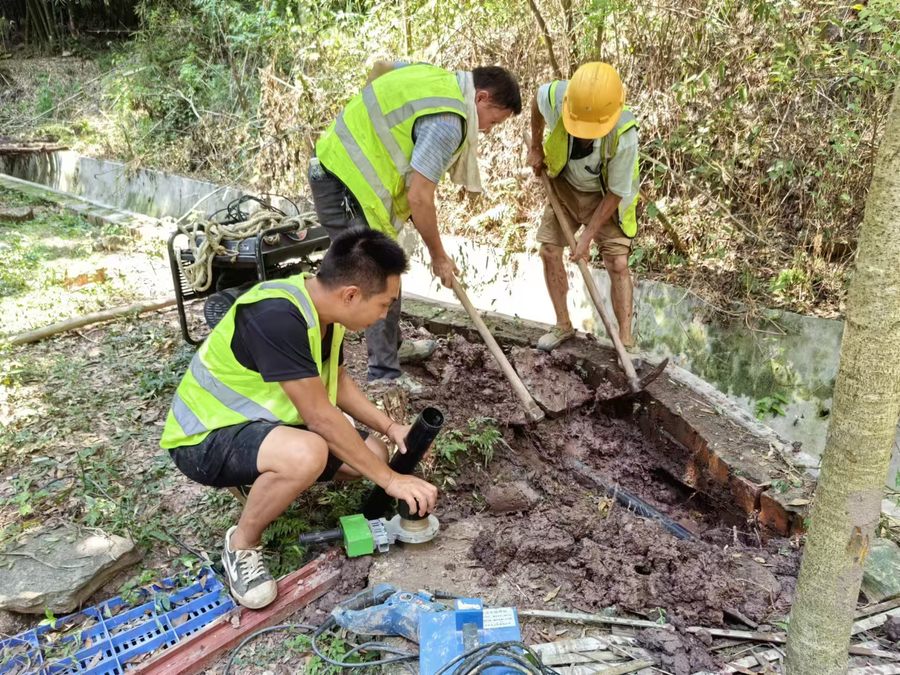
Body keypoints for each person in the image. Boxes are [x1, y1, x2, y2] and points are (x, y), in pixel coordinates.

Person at [160, 228, 439, 609]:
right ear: (351, 295)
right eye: (384, 304)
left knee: (372, 453)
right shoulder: (276, 316)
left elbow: (338, 384)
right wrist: (391, 481)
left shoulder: (324, 314)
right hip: (203, 438)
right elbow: (321, 418)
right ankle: (241, 544)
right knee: (308, 453)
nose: (385, 314)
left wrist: (390, 428)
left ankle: (267, 477)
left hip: (262, 425)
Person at [309, 61, 522, 392]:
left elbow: (381, 67)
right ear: (481, 97)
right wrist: (438, 256)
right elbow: (420, 197)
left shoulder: (434, 78)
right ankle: (384, 375)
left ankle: (392, 350)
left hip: (338, 166)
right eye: (493, 121)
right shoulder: (448, 122)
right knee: (375, 277)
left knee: (387, 270)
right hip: (344, 184)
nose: (488, 130)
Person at [527, 62, 640, 352]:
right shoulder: (560, 97)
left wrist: (587, 237)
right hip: (565, 186)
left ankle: (625, 342)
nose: (585, 135)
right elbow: (536, 102)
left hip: (605, 197)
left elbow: (616, 192)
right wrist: (536, 146)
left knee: (618, 262)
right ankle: (563, 324)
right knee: (549, 250)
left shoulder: (624, 135)